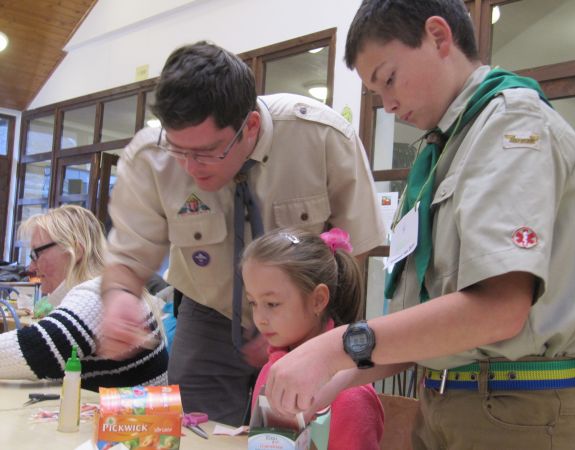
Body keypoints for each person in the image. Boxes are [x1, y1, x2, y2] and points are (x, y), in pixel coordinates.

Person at [262, 1, 575, 449]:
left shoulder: (511, 123)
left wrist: (336, 345)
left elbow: (499, 308)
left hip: (517, 407)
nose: (388, 105)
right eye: (375, 93)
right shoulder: (437, 156)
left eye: (388, 78)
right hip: (446, 400)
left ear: (439, 37)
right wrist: (337, 379)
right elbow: (428, 327)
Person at [97, 41, 386, 424]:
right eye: (178, 149)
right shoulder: (151, 157)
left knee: (307, 428)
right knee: (196, 427)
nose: (188, 167)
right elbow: (127, 259)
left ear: (250, 126)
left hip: (309, 318)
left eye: (206, 152)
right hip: (210, 313)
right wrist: (119, 299)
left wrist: (303, 325)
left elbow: (352, 252)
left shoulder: (323, 137)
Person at [241, 227, 384, 449]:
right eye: (253, 303)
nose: (259, 318)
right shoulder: (271, 370)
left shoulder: (349, 394)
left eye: (272, 304)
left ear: (318, 300)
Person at [0, 205, 168, 391]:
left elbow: (32, 351)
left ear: (76, 251)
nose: (31, 267)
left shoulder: (95, 294)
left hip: (135, 419)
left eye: (36, 254)